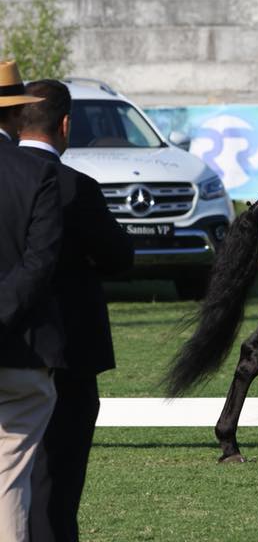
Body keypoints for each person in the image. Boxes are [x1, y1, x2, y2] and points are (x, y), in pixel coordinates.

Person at [18, 80, 133, 542]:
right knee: (57, 489)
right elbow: (118, 258)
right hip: (65, 352)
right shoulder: (74, 187)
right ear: (66, 125)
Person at [0, 61, 64, 542]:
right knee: (10, 487)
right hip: (19, 349)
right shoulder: (34, 173)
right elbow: (39, 264)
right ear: (14, 117)